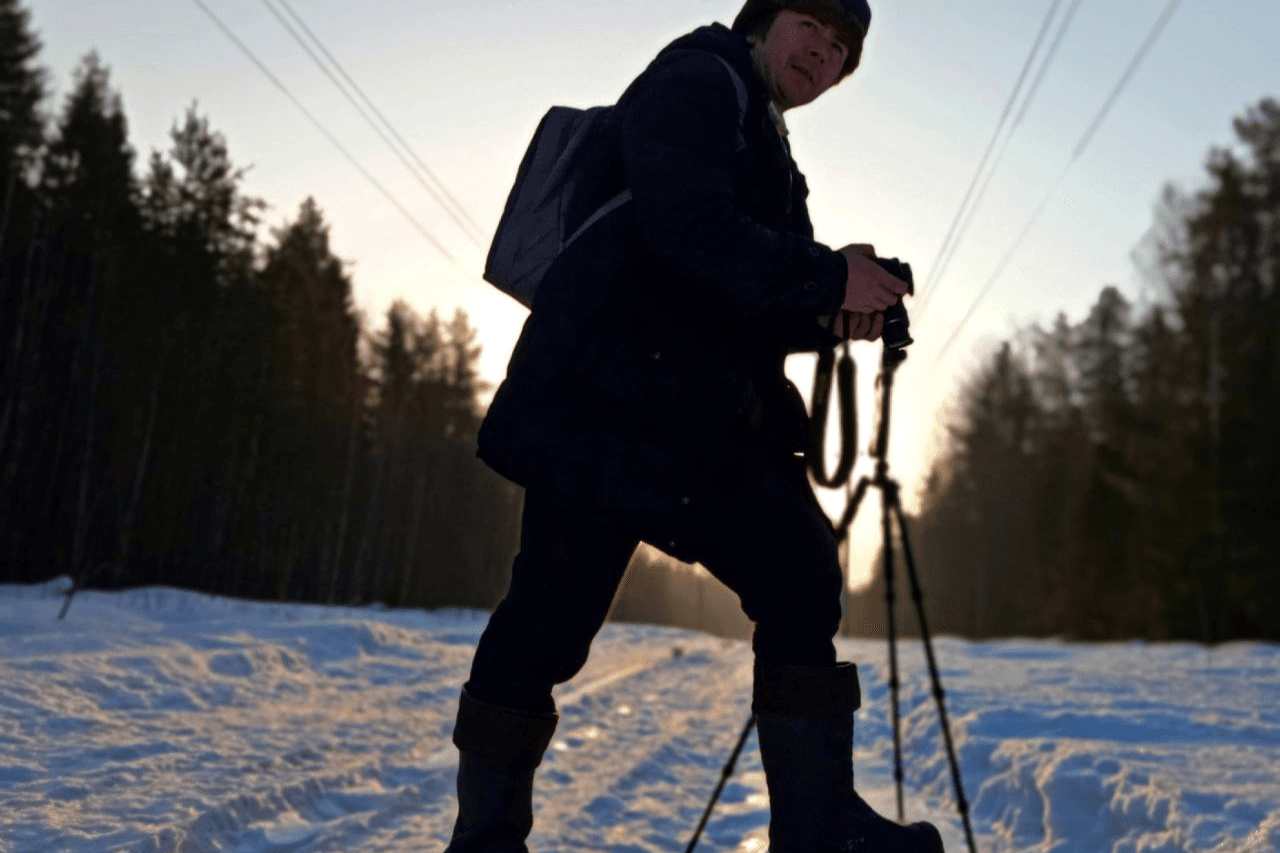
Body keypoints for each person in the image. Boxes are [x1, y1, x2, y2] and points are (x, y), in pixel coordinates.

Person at [445, 1, 943, 851]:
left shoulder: (768, 140)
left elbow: (744, 292)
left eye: (841, 51)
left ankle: (816, 824)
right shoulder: (698, 80)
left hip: (671, 415)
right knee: (549, 620)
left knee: (797, 570)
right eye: (812, 29)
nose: (822, 56)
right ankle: (486, 839)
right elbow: (691, 232)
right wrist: (828, 277)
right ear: (765, 19)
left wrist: (835, 310)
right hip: (608, 407)